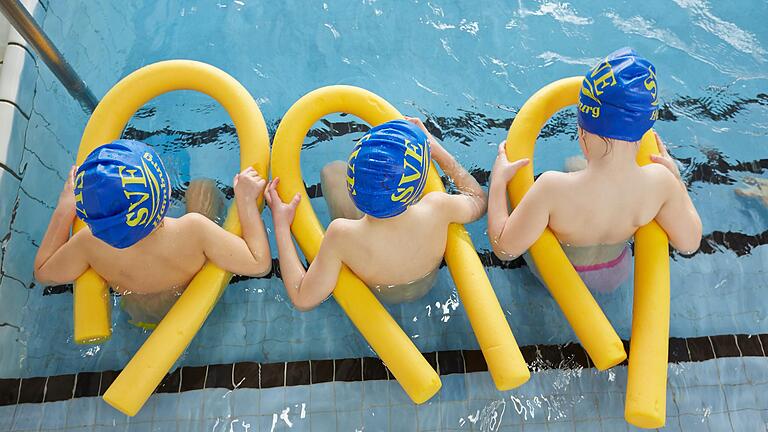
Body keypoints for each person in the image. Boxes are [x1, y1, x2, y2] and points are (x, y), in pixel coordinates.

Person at [487, 48, 702, 293]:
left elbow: (504, 248)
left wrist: (498, 182)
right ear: (644, 131)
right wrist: (676, 178)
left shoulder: (552, 188)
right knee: (575, 166)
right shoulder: (662, 183)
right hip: (615, 273)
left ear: (582, 132)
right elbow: (690, 244)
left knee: (557, 172)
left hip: (557, 276)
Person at [33, 139, 272, 327]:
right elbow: (259, 263)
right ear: (166, 193)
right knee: (202, 188)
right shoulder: (193, 230)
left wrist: (64, 210)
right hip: (191, 306)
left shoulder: (89, 244)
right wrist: (246, 201)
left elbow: (43, 272)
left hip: (140, 315)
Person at [265, 117, 486, 309]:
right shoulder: (438, 207)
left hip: (378, 294)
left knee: (332, 171)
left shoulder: (341, 235)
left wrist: (281, 225)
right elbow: (479, 200)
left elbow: (302, 298)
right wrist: (436, 151)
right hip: (426, 284)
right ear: (414, 190)